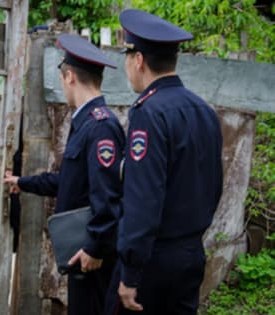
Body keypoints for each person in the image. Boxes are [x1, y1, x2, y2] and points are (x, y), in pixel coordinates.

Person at [104, 9, 223, 315]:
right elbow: (213, 186)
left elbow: (143, 200)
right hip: (191, 254)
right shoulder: (204, 111)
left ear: (139, 60)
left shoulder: (149, 113)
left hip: (152, 262)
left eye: (127, 56)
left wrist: (130, 273)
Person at [4, 34, 125, 315]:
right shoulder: (85, 121)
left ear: (69, 76)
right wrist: (22, 182)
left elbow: (108, 195)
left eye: (61, 78)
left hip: (92, 256)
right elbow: (70, 183)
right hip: (82, 253)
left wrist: (95, 247)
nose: (62, 83)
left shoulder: (100, 126)